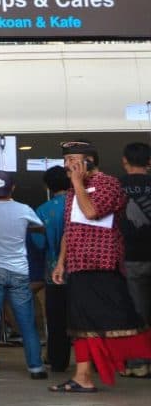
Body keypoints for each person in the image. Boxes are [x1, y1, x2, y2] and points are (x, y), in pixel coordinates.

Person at [49, 140, 151, 392]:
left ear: (90, 161)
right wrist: (61, 262)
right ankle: (82, 376)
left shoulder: (109, 184)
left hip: (102, 263)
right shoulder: (75, 189)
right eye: (66, 161)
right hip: (78, 264)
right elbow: (70, 229)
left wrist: (76, 184)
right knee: (80, 323)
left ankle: (132, 359)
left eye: (74, 160)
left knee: (121, 319)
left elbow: (92, 211)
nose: (68, 166)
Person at [0, 171, 46, 380]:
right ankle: (36, 367)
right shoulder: (24, 209)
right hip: (19, 271)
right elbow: (40, 226)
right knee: (26, 321)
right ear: (13, 187)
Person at [30, 166, 71, 372]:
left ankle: (58, 360)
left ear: (48, 186)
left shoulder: (43, 211)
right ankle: (91, 360)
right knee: (85, 317)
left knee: (56, 319)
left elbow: (39, 243)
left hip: (53, 271)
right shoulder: (79, 205)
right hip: (82, 271)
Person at [118, 142, 151, 376]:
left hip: (128, 257)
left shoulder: (117, 186)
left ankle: (137, 362)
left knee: (134, 311)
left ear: (125, 161)